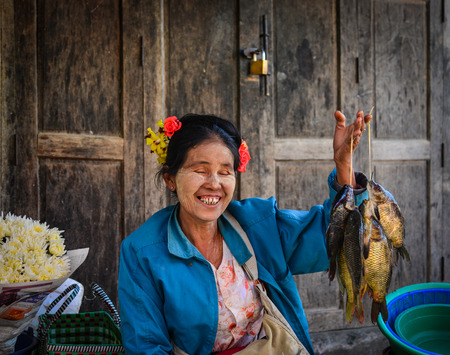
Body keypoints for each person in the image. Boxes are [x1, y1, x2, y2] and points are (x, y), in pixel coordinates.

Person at [118, 111, 372, 354]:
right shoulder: (143, 252)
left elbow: (333, 235)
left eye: (225, 171)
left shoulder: (258, 225)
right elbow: (147, 345)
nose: (214, 184)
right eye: (200, 170)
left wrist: (343, 164)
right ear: (170, 179)